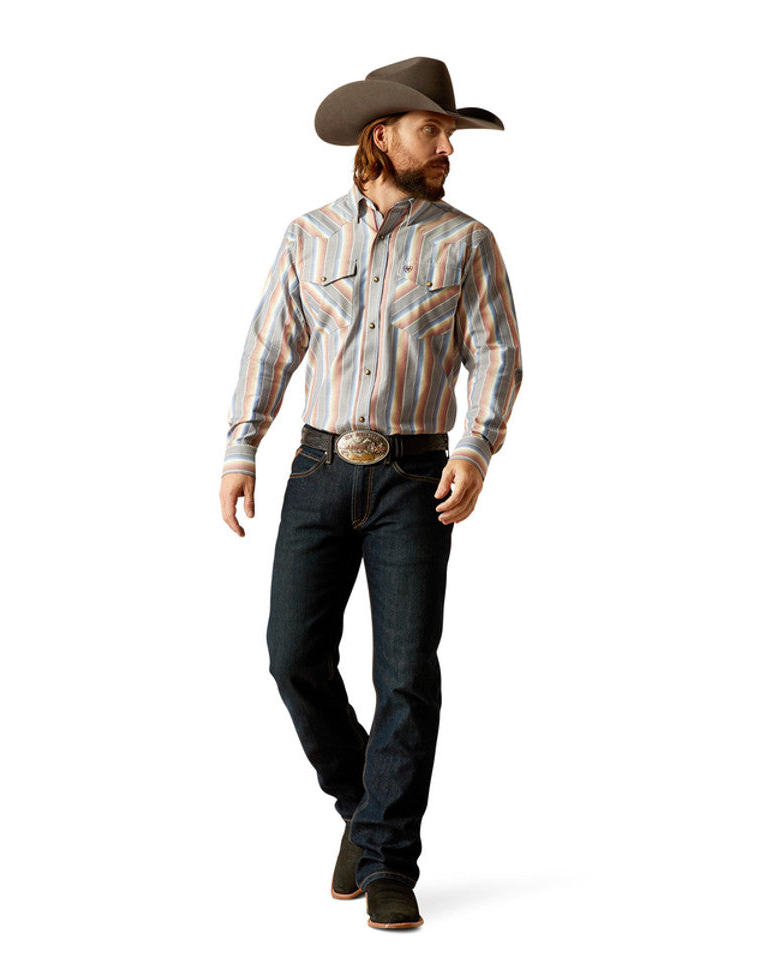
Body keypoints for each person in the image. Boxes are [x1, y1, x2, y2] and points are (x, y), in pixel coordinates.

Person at [220, 57, 522, 929]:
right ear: (381, 135)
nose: (448, 149)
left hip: (416, 478)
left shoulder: (466, 241)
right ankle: (365, 803)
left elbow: (497, 354)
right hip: (317, 471)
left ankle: (390, 860)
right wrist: (241, 448)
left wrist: (476, 449)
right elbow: (270, 345)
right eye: (434, 132)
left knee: (405, 675)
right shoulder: (308, 235)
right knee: (292, 656)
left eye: (451, 135)